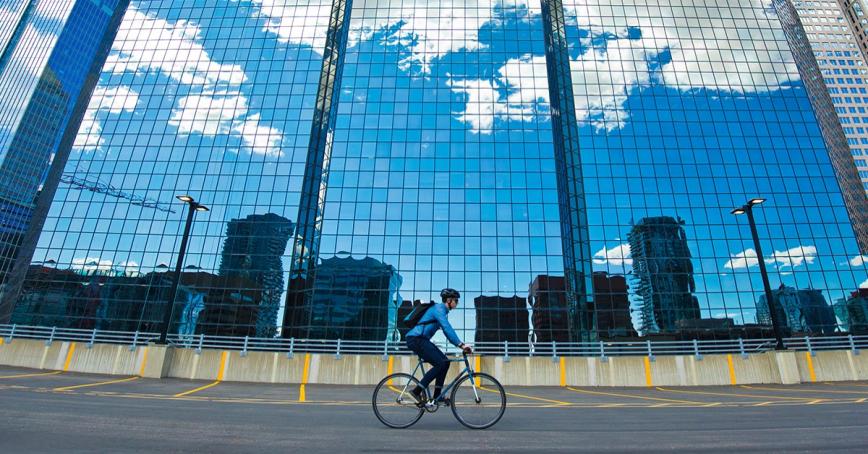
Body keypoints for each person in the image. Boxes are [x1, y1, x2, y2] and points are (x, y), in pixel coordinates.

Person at [405, 288, 472, 406]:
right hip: (416, 339)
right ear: (449, 300)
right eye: (456, 300)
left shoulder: (442, 311)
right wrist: (461, 345)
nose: (457, 302)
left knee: (445, 362)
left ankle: (437, 396)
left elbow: (446, 332)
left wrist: (458, 344)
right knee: (440, 363)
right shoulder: (439, 309)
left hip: (421, 340)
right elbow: (447, 328)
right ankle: (416, 392)